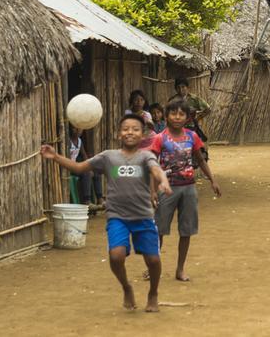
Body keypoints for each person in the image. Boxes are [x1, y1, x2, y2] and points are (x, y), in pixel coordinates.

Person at [41, 114, 171, 312]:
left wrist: (164, 181)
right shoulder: (108, 157)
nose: (130, 132)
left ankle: (153, 293)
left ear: (142, 134)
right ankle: (126, 287)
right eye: (126, 128)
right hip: (117, 216)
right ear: (119, 133)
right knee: (116, 256)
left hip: (143, 216)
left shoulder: (146, 156)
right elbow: (79, 167)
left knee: (153, 260)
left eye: (135, 129)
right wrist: (56, 157)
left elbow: (156, 170)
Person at [148, 98, 221, 282]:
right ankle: (153, 267)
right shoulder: (160, 138)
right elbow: (152, 165)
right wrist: (152, 191)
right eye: (173, 113)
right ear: (166, 116)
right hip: (166, 188)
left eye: (181, 114)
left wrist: (212, 180)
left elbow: (201, 160)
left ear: (188, 118)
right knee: (159, 230)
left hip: (188, 189)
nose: (177, 117)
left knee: (186, 230)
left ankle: (180, 269)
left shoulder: (192, 137)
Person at [68, 126, 102, 206]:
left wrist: (89, 166)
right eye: (74, 128)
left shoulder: (79, 141)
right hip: (69, 167)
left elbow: (84, 155)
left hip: (76, 166)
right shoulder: (68, 141)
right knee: (86, 173)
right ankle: (87, 200)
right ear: (70, 129)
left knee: (96, 171)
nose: (78, 131)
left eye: (80, 129)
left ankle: (100, 198)